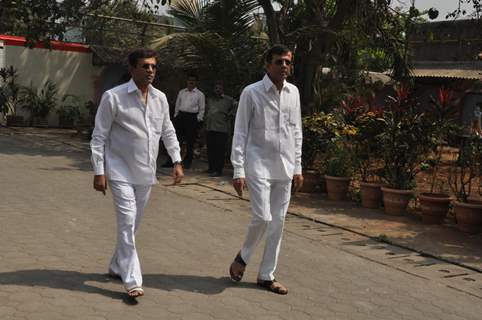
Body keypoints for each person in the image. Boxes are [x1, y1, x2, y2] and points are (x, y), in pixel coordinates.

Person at [90, 49, 184, 298]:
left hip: (146, 173)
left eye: (153, 66)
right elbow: (99, 137)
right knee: (127, 220)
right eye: (145, 66)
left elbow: (168, 130)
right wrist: (100, 171)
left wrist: (177, 160)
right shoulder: (114, 97)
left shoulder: (160, 98)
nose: (150, 70)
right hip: (119, 170)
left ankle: (115, 265)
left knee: (132, 225)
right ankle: (132, 280)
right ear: (132, 69)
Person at [228, 44, 304, 295]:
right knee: (263, 217)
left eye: (287, 62)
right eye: (279, 61)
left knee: (278, 224)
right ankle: (243, 256)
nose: (284, 66)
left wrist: (298, 166)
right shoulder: (252, 93)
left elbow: (296, 131)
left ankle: (266, 276)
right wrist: (238, 169)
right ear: (267, 65)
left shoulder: (294, 92)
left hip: (285, 167)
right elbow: (240, 132)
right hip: (257, 163)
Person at [163, 74, 205, 169]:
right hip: (181, 116)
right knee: (176, 139)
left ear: (196, 82)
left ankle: (187, 162)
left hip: (192, 118)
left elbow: (202, 109)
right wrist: (176, 116)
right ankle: (172, 160)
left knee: (190, 141)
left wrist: (198, 119)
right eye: (189, 80)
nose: (191, 82)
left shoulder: (200, 94)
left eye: (193, 80)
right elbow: (178, 104)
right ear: (187, 81)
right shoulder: (182, 92)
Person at [205, 81, 237, 177]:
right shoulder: (210, 99)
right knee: (211, 149)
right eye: (216, 88)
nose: (217, 90)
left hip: (221, 129)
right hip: (210, 127)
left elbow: (237, 105)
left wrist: (230, 114)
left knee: (220, 150)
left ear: (222, 89)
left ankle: (218, 170)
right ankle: (211, 168)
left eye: (219, 88)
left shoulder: (228, 99)